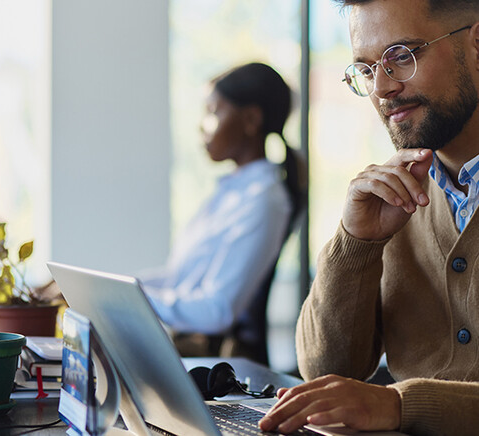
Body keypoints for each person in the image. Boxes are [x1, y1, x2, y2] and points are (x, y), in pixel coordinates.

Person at [258, 1, 479, 435]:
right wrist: (356, 243)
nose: (381, 87)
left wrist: (399, 404)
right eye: (365, 68)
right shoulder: (393, 196)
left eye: (401, 56)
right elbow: (325, 367)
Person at [141, 63, 306, 362]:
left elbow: (217, 311)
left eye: (214, 111)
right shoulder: (231, 192)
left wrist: (133, 301)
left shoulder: (263, 200)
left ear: (251, 119)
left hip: (216, 367)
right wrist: (113, 292)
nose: (202, 125)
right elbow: (178, 280)